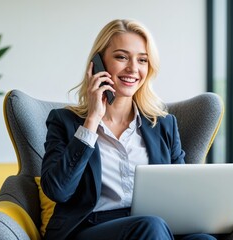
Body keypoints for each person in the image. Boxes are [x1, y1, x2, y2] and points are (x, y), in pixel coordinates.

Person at [40, 19, 216, 240]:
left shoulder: (163, 124)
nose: (133, 68)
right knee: (149, 226)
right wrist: (92, 120)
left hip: (156, 227)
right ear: (98, 63)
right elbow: (58, 190)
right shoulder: (64, 121)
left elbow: (179, 194)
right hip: (88, 228)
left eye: (142, 60)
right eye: (122, 57)